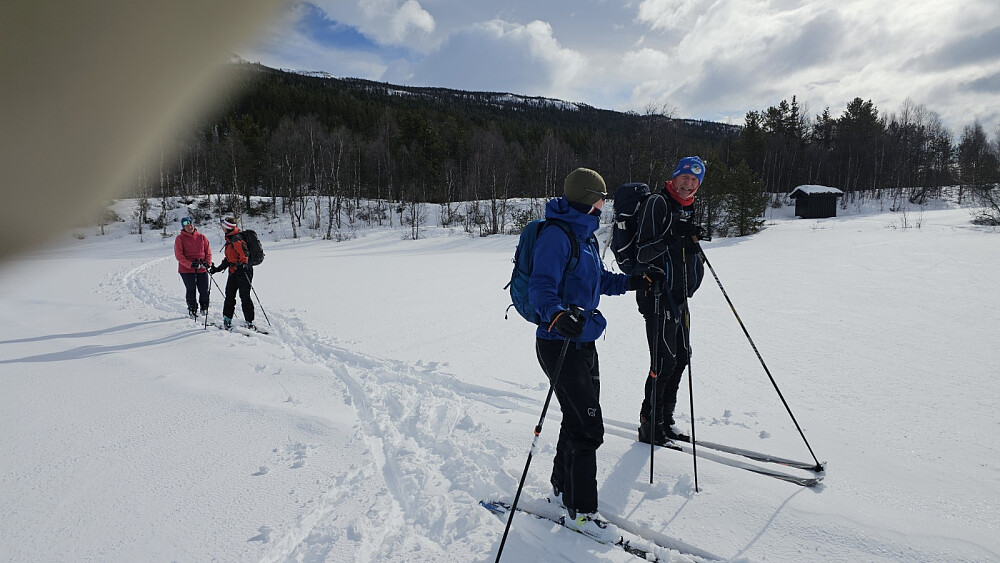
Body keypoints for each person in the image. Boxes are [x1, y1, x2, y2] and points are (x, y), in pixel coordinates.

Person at [529, 167, 655, 542]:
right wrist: (556, 315)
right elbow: (540, 287)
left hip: (583, 341)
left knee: (576, 420)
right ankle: (581, 512)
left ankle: (561, 490)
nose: (604, 205)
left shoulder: (584, 236)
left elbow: (599, 281)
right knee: (588, 427)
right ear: (587, 199)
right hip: (558, 343)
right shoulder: (556, 235)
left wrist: (634, 280)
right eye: (600, 199)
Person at [635, 156, 707, 446]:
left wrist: (692, 241)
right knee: (664, 361)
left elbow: (682, 253)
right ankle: (650, 424)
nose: (689, 184)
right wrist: (672, 237)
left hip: (679, 296)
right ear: (674, 177)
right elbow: (642, 253)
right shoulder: (658, 203)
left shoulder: (686, 208)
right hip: (656, 295)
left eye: (695, 180)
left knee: (681, 357)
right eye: (685, 178)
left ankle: (666, 419)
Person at [209, 217, 255, 330]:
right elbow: (229, 258)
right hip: (234, 271)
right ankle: (227, 319)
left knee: (244, 296)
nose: (222, 228)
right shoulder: (230, 239)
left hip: (243, 271)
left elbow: (244, 253)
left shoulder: (236, 239)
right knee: (229, 295)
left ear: (228, 227)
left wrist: (244, 264)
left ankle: (249, 322)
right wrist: (217, 269)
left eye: (223, 226)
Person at [173, 216, 212, 318]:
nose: (189, 227)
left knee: (204, 290)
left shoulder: (202, 237)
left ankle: (204, 307)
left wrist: (207, 262)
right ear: (183, 227)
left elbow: (208, 252)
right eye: (186, 225)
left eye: (190, 224)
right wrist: (190, 264)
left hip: (201, 267)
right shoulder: (180, 239)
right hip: (187, 269)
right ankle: (192, 309)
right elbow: (179, 256)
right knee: (191, 289)